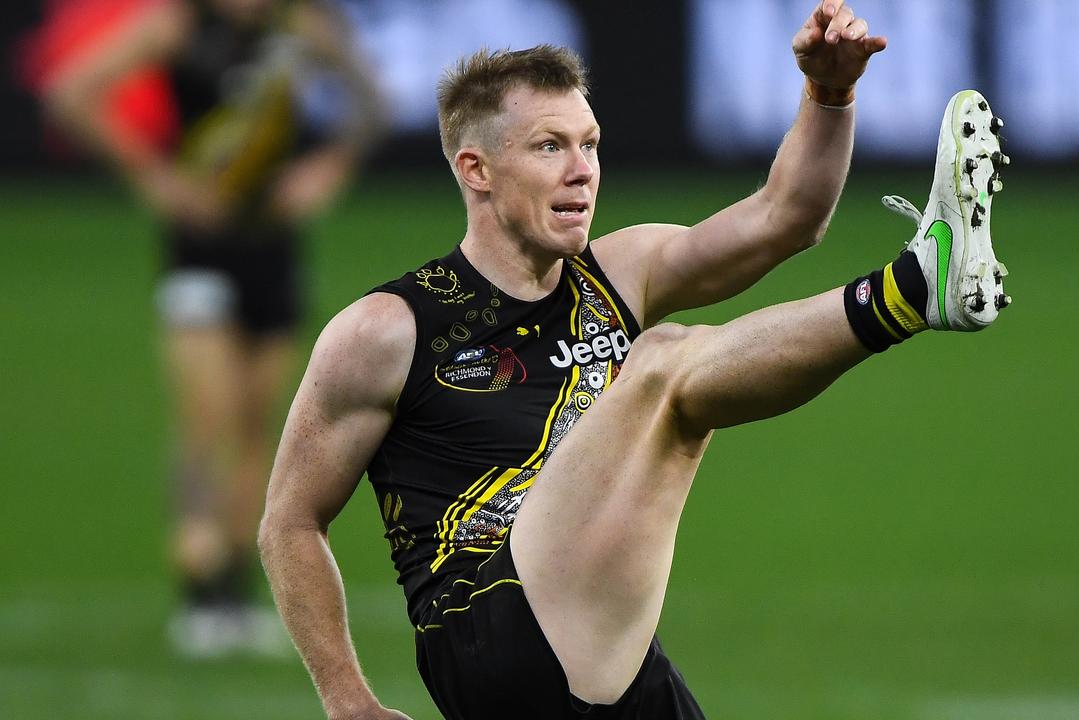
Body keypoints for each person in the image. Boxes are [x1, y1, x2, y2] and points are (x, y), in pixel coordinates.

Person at [259, 1, 1010, 716]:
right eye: (549, 146)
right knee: (661, 364)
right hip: (485, 632)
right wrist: (347, 699)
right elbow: (291, 521)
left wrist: (830, 91)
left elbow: (789, 217)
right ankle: (913, 287)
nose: (581, 169)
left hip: (605, 645)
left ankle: (914, 290)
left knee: (667, 386)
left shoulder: (621, 272)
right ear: (476, 169)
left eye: (589, 144)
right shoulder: (389, 328)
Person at [40, 0, 382, 656]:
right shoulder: (177, 25)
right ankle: (199, 590)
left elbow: (369, 99)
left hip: (273, 245)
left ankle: (236, 595)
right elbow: (71, 92)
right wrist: (153, 177)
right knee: (206, 418)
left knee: (258, 424)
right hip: (199, 245)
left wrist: (326, 170)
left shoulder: (298, 28)